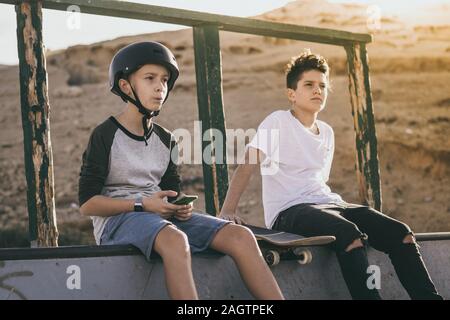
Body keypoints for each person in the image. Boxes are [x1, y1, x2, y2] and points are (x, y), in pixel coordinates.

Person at [219, 50, 442, 300]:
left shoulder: (326, 131)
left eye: (323, 86)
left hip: (329, 204)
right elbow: (248, 163)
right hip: (290, 211)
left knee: (401, 233)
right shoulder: (278, 121)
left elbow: (319, 180)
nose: (318, 90)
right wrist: (228, 209)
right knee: (349, 234)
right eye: (309, 85)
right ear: (292, 94)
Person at [78, 41, 284, 300]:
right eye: (150, 78)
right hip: (117, 222)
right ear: (125, 86)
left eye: (164, 80)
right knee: (175, 240)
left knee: (241, 236)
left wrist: (178, 205)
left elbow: (171, 193)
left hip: (160, 218)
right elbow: (87, 204)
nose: (160, 87)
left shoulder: (166, 139)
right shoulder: (105, 134)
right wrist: (142, 205)